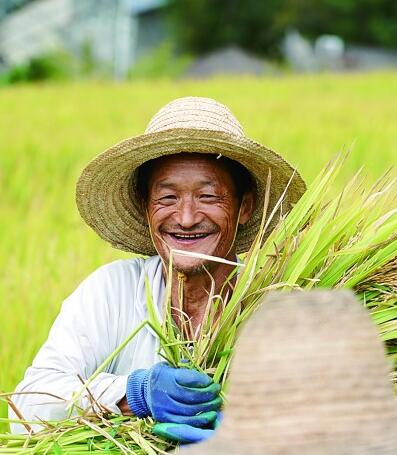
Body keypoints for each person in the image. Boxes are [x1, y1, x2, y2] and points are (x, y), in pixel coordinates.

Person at [9, 97, 306, 443]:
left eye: (208, 197)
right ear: (144, 207)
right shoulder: (111, 291)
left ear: (245, 207)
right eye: (167, 198)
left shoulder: (281, 309)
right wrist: (134, 395)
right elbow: (27, 407)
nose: (186, 217)